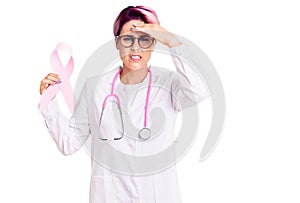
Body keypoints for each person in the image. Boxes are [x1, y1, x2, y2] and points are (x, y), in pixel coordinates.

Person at [39, 5, 209, 203]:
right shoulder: (95, 87)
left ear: (154, 43)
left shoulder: (168, 84)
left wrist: (171, 41)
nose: (136, 47)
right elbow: (68, 143)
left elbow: (200, 90)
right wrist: (48, 101)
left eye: (144, 39)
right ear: (117, 44)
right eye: (128, 39)